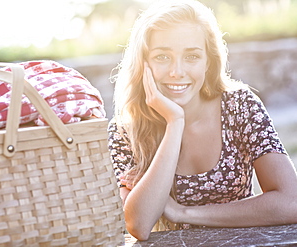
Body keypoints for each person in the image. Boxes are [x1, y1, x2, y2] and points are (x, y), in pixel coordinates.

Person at [108, 0, 297, 241]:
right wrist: (175, 122)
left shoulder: (238, 106)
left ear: (208, 62)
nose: (177, 71)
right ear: (143, 63)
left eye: (192, 56)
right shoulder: (126, 129)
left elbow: (291, 201)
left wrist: (182, 212)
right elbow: (138, 224)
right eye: (162, 57)